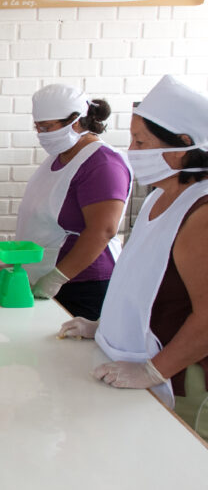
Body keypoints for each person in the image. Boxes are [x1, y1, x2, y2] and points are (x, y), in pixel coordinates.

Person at [58, 75, 208, 438]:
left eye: (141, 142)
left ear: (183, 146)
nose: (132, 150)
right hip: (131, 358)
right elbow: (141, 278)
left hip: (180, 378)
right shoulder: (159, 196)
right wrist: (104, 326)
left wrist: (154, 371)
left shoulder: (200, 212)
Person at [15, 84, 131, 320]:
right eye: (38, 127)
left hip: (83, 284)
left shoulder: (102, 163)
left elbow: (103, 230)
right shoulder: (58, 159)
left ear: (76, 121)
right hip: (48, 278)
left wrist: (57, 278)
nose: (41, 134)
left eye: (47, 127)